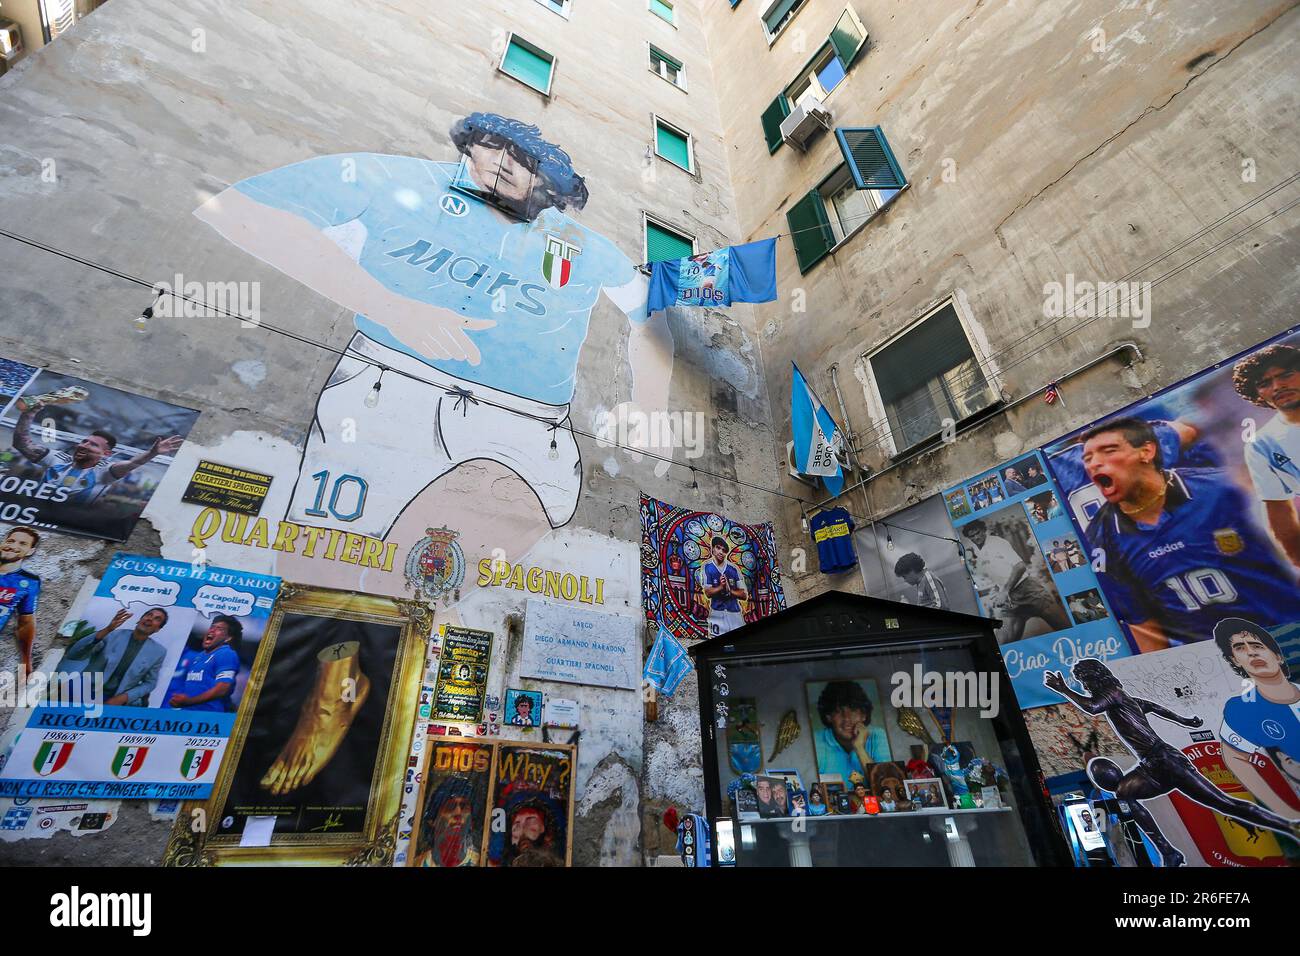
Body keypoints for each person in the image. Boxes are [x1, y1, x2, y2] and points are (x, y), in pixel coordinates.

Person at [194, 112, 673, 556]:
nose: (503, 159)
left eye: (523, 158)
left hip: (527, 422)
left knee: (461, 573)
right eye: (489, 144)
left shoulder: (581, 245)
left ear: (547, 181)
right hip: (385, 387)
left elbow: (649, 313)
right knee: (323, 561)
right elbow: (239, 209)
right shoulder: (399, 179)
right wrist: (389, 307)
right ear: (469, 148)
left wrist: (651, 408)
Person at [1044, 657, 1300, 867]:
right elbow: (1152, 706)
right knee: (1124, 794)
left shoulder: (1111, 693)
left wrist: (1063, 689)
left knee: (1226, 804)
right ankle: (1168, 852)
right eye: (1082, 682)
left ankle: (1288, 825)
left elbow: (1092, 707)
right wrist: (1184, 720)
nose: (1085, 686)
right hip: (1151, 764)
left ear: (1097, 677)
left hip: (1165, 760)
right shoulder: (1122, 697)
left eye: (1086, 680)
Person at [1078, 416, 1300, 651]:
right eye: (1088, 458)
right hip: (1215, 660)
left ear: (1147, 451)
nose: (1095, 464)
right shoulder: (1100, 539)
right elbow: (1143, 626)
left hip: (1287, 632)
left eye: (1108, 451)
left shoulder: (1224, 489)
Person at [11, 400, 182, 506]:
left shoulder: (103, 472)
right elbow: (21, 443)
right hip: (31, 512)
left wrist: (152, 453)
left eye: (93, 445)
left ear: (105, 454)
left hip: (66, 522)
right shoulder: (56, 458)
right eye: (84, 441)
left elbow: (131, 464)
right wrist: (29, 413)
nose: (84, 445)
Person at [1214, 618, 1300, 815]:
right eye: (1240, 648)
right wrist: (1287, 813)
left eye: (1256, 645)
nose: (1251, 652)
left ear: (1277, 656)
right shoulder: (1242, 709)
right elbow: (1235, 757)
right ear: (1235, 660)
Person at [1233, 344, 1300, 567]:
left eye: (1286, 375)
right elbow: (1280, 512)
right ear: (1258, 395)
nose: (1278, 386)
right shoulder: (1261, 444)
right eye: (1264, 383)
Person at [961, 519, 1069, 643]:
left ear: (984, 530)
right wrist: (996, 590)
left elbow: (1020, 566)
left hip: (1028, 591)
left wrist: (1004, 591)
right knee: (1001, 642)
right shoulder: (978, 551)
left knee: (1065, 626)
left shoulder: (998, 543)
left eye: (978, 533)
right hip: (1010, 600)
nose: (976, 537)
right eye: (972, 536)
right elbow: (997, 574)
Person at [63, 607, 169, 706]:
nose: (150, 619)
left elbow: (150, 683)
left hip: (114, 699)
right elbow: (74, 654)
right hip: (82, 689)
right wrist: (108, 629)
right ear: (139, 620)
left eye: (157, 619)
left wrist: (125, 697)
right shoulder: (112, 635)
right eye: (148, 615)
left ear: (158, 629)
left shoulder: (158, 652)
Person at [814, 680, 890, 781]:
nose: (847, 718)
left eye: (853, 711)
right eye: (839, 711)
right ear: (829, 717)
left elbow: (884, 785)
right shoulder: (816, 741)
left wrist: (859, 748)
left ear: (864, 715)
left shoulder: (878, 735)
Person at [164, 614, 242, 711]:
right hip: (188, 713)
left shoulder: (226, 654)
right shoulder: (199, 656)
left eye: (219, 629)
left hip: (208, 716)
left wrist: (188, 701)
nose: (212, 630)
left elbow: (223, 689)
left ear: (228, 638)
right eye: (212, 627)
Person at [0, 525, 40, 680]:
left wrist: (26, 661)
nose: (13, 546)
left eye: (22, 544)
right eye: (10, 541)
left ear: (31, 551)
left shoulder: (29, 582)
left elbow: (25, 623)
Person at [415, 777, 479, 867]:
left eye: (464, 807)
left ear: (471, 822)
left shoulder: (479, 862)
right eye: (450, 806)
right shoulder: (417, 864)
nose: (458, 813)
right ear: (433, 820)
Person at [699, 536, 747, 636]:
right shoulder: (707, 567)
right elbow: (707, 593)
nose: (721, 552)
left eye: (724, 550)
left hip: (734, 612)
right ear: (712, 549)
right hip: (717, 612)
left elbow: (744, 595)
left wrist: (730, 591)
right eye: (718, 548)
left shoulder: (733, 569)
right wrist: (721, 587)